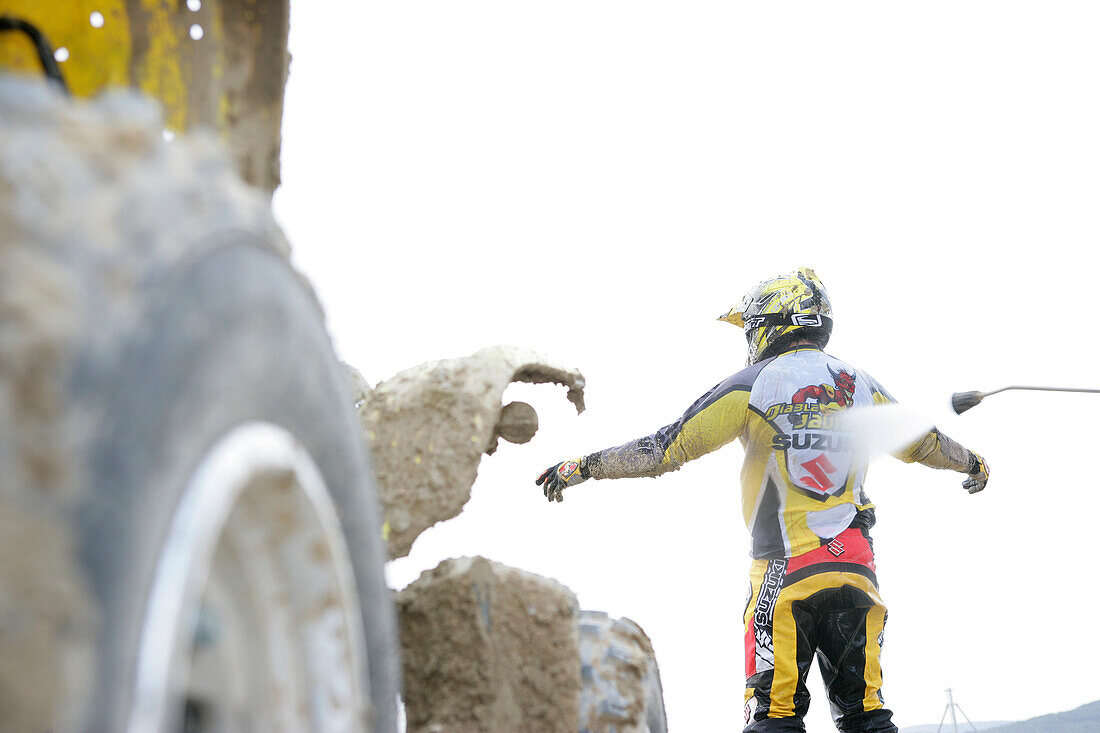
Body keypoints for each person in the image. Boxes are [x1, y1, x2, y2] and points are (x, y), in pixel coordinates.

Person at [535, 267, 990, 733]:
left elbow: (665, 449)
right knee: (867, 715)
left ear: (770, 322)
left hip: (785, 570)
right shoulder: (860, 383)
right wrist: (973, 463)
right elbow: (923, 441)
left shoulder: (752, 383)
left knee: (773, 716)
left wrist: (584, 466)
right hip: (857, 569)